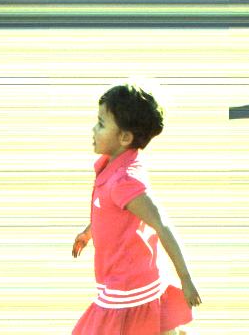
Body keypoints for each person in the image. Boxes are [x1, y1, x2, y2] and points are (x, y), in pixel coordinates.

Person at [72, 81, 201, 334]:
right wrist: (89, 232)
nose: (94, 129)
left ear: (125, 137)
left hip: (129, 287)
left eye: (101, 124)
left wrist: (185, 279)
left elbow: (162, 225)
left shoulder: (125, 181)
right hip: (123, 279)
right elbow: (110, 214)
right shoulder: (111, 164)